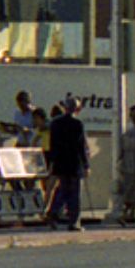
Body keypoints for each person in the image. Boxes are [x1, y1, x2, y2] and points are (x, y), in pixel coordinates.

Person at [46, 96, 89, 231]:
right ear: (77, 109)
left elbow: (52, 145)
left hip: (60, 162)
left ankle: (53, 212)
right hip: (74, 162)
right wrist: (86, 165)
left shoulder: (55, 123)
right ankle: (74, 222)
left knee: (63, 190)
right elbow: (81, 146)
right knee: (75, 193)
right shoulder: (78, 124)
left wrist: (52, 162)